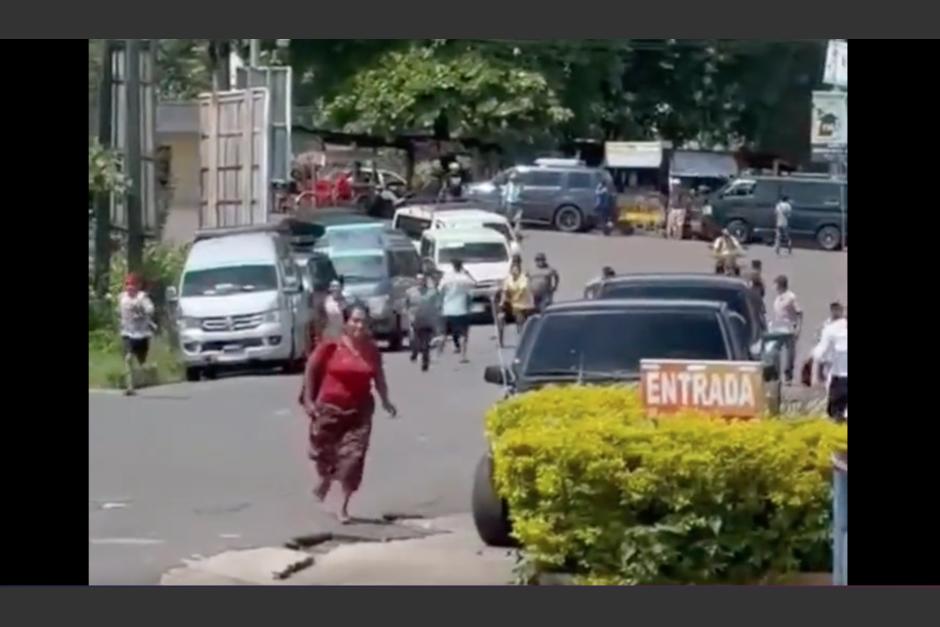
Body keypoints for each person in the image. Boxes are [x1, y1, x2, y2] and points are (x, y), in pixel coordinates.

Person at [299, 302, 397, 523]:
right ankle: (325, 479)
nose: (359, 326)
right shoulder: (331, 345)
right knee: (324, 453)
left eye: (363, 321)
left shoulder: (371, 350)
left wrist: (385, 400)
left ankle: (342, 507)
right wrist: (308, 400)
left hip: (359, 409)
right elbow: (311, 369)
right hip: (329, 408)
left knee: (353, 458)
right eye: (355, 320)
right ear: (346, 322)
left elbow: (378, 376)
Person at [117, 273, 156, 396]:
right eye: (127, 284)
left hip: (141, 335)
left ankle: (152, 370)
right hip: (127, 333)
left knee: (142, 364)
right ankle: (130, 387)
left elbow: (150, 309)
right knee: (128, 358)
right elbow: (120, 311)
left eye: (132, 284)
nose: (129, 287)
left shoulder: (142, 298)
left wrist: (145, 311)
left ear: (138, 286)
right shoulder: (122, 297)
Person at [811, 305, 847, 421]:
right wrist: (814, 376)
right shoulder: (833, 330)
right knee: (836, 417)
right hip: (839, 380)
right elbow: (818, 354)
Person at [438, 258, 475, 363]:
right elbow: (474, 284)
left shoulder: (447, 277)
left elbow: (440, 290)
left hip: (448, 309)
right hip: (462, 309)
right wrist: (468, 273)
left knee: (443, 334)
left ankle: (438, 354)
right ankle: (463, 356)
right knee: (464, 334)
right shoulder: (465, 278)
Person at [771, 275, 803, 384]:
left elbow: (799, 313)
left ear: (780, 285)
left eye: (775, 284)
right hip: (778, 328)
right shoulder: (777, 298)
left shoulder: (791, 297)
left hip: (789, 328)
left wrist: (798, 328)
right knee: (774, 351)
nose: (774, 287)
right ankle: (775, 374)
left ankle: (788, 376)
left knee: (789, 354)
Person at [405, 273, 440, 372]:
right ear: (416, 281)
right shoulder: (410, 292)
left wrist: (436, 318)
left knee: (426, 344)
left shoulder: (432, 292)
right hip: (415, 320)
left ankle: (425, 362)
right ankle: (414, 353)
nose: (421, 281)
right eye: (419, 279)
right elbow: (406, 305)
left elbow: (437, 305)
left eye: (423, 279)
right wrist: (409, 316)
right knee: (415, 341)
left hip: (428, 320)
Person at [497, 259, 535, 348]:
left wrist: (514, 299)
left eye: (516, 269)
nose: (515, 271)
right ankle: (500, 341)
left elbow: (521, 291)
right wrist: (502, 303)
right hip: (509, 304)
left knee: (520, 319)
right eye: (513, 269)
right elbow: (504, 291)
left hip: (521, 304)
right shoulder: (508, 279)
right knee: (500, 318)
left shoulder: (523, 278)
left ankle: (522, 340)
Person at [502, 171, 524, 237]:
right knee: (508, 219)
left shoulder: (520, 185)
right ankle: (508, 232)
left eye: (514, 179)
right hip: (510, 203)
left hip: (517, 203)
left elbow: (522, 194)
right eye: (512, 179)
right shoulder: (508, 185)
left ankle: (516, 233)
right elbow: (505, 194)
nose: (513, 180)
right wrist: (504, 202)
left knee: (517, 219)